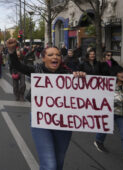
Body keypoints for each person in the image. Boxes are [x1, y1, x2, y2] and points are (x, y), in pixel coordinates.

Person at [6, 38, 85, 170]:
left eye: (58, 55)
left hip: (63, 122)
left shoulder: (69, 74)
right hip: (41, 120)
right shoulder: (37, 70)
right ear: (43, 59)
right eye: (50, 55)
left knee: (59, 163)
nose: (55, 57)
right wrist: (12, 51)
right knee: (49, 165)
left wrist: (81, 77)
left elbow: (84, 95)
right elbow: (17, 65)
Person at [94, 67, 123, 159]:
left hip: (122, 115)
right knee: (104, 128)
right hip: (110, 112)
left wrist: (114, 98)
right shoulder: (109, 84)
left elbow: (113, 98)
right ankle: (98, 141)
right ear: (116, 74)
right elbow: (107, 98)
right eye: (120, 72)